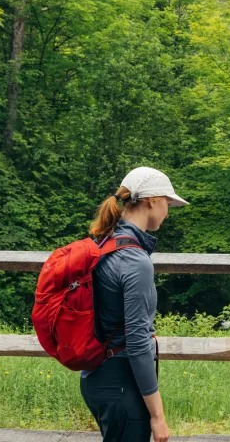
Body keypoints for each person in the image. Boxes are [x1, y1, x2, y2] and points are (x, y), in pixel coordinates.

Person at [80, 166, 188, 442]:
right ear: (151, 201)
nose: (168, 210)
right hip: (121, 383)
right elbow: (138, 342)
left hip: (96, 376)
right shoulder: (134, 260)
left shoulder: (105, 243)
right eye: (168, 202)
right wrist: (158, 415)